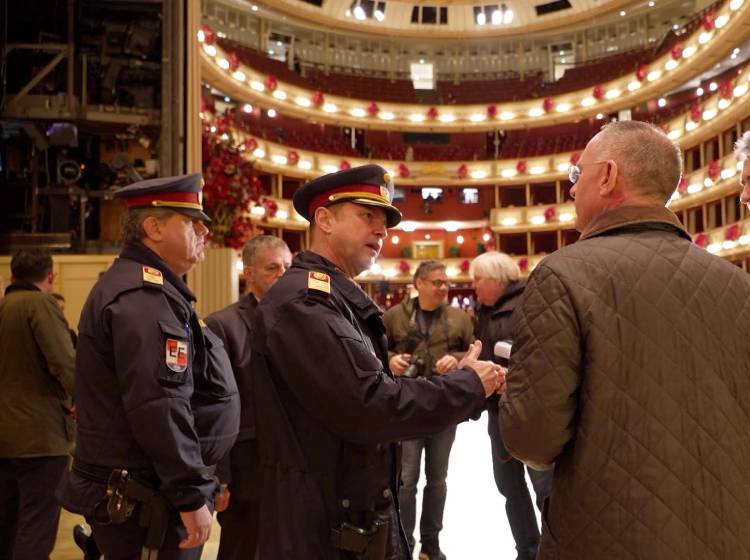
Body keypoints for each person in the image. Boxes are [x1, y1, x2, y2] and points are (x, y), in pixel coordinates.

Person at [500, 120, 750, 559]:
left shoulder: (561, 276)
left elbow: (532, 438)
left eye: (578, 176)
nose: (572, 190)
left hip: (606, 536)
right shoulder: (738, 284)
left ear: (609, 175)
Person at [250, 164, 504, 559]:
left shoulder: (330, 296)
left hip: (342, 514)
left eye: (384, 221)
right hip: (318, 526)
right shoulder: (305, 302)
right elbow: (370, 405)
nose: (382, 230)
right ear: (325, 219)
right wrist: (469, 384)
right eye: (367, 215)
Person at [57, 173, 241, 560]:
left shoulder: (155, 291)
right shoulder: (143, 295)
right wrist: (190, 493)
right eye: (192, 223)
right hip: (147, 498)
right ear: (153, 227)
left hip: (156, 488)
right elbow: (159, 404)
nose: (204, 232)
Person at [205, 235, 292, 560]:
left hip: (292, 458)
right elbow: (215, 406)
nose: (282, 274)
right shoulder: (222, 324)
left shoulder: (304, 321)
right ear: (249, 272)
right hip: (246, 461)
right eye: (273, 268)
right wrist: (221, 478)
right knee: (242, 547)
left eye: (287, 267)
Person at [383, 260, 474, 560]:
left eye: (445, 282)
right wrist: (392, 359)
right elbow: (374, 351)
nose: (443, 288)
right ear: (418, 283)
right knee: (406, 480)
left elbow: (473, 350)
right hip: (407, 405)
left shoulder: (459, 317)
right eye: (436, 282)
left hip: (444, 407)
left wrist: (456, 358)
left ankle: (431, 545)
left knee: (438, 479)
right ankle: (404, 543)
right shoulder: (394, 316)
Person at [470, 251, 552, 560]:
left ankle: (556, 549)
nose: (474, 285)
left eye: (479, 279)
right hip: (498, 412)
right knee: (510, 487)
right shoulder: (484, 311)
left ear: (498, 279)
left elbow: (544, 358)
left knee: (545, 489)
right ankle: (527, 550)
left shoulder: (529, 305)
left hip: (529, 411)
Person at [0, 249, 75, 559]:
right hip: (40, 437)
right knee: (36, 526)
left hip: (5, 438)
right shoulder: (41, 303)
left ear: (11, 276)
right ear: (50, 277)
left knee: (6, 526)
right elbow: (64, 363)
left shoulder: (3, 306)